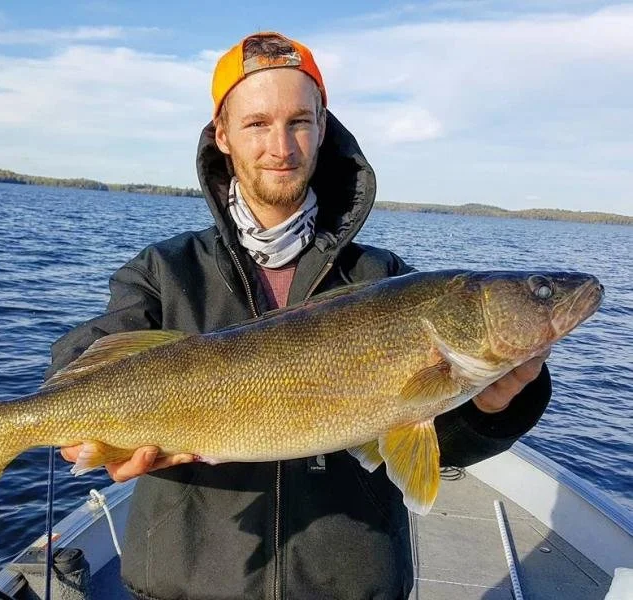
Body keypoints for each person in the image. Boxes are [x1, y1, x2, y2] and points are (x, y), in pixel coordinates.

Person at [48, 32, 552, 600]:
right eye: (257, 123)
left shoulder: (385, 280)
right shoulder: (166, 269)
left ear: (322, 127)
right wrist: (74, 422)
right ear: (223, 135)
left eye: (299, 122)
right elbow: (92, 348)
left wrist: (493, 406)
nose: (281, 146)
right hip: (185, 583)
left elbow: (446, 446)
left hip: (347, 585)